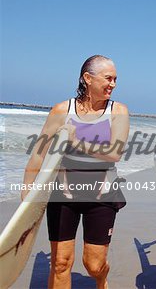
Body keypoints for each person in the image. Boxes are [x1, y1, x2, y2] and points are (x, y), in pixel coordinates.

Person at [22, 55, 129, 288]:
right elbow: (38, 155)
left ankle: (102, 280)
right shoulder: (62, 110)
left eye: (115, 79)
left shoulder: (118, 111)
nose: (113, 84)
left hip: (101, 197)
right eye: (108, 78)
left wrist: (75, 140)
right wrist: (27, 197)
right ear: (88, 78)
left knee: (94, 265)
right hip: (62, 196)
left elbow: (114, 153)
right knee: (60, 263)